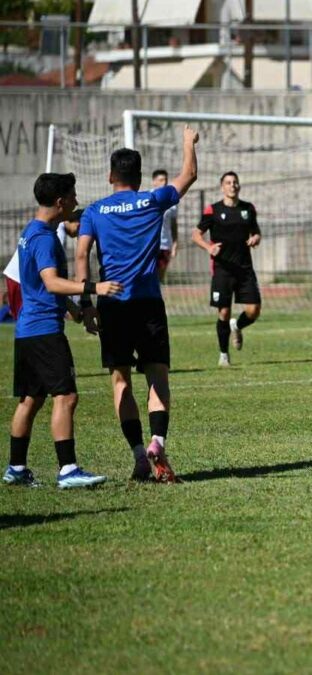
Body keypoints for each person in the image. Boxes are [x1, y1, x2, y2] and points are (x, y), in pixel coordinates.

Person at [76, 125, 199, 483]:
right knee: (157, 375)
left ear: (110, 176)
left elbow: (81, 254)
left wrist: (87, 302)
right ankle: (157, 441)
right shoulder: (152, 200)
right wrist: (187, 142)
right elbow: (189, 175)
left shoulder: (95, 211)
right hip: (148, 303)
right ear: (140, 176)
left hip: (112, 303)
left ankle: (138, 455)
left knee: (121, 381)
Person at [4, 173, 121, 489]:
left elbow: (38, 286)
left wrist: (74, 310)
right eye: (72, 196)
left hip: (28, 331)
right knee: (66, 396)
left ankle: (16, 469)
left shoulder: (31, 231)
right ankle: (68, 470)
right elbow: (52, 282)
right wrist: (94, 288)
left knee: (30, 399)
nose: (75, 201)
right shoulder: (44, 238)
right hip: (44, 332)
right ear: (59, 202)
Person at [192, 171, 262, 367]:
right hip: (222, 268)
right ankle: (224, 354)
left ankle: (236, 325)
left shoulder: (248, 209)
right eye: (228, 183)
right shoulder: (213, 210)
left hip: (244, 268)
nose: (232, 186)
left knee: (254, 310)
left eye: (235, 182)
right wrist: (209, 247)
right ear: (222, 187)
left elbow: (256, 231)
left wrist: (256, 238)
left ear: (239, 186)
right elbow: (196, 234)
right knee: (223, 312)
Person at [151, 169, 178, 282]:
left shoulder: (172, 201)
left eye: (166, 180)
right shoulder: (148, 198)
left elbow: (174, 224)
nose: (164, 183)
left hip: (165, 244)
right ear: (154, 182)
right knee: (149, 276)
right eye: (161, 180)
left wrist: (175, 243)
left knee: (160, 278)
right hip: (150, 244)